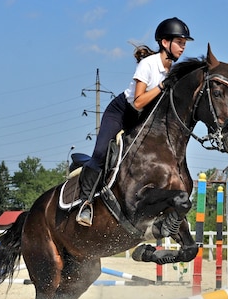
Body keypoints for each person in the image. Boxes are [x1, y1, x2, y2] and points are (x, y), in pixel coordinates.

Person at [76, 17, 194, 227]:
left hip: (143, 120)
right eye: (180, 42)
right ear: (165, 42)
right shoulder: (149, 64)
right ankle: (84, 204)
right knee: (101, 153)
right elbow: (138, 102)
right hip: (122, 112)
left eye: (185, 43)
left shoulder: (170, 71)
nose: (183, 47)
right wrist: (162, 87)